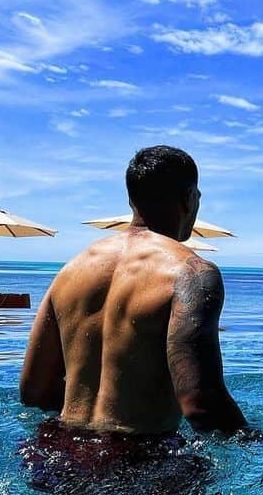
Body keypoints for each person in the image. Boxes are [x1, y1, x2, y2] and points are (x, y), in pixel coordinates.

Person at [19, 146, 250, 463]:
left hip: (57, 450)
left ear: (131, 200)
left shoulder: (72, 270)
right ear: (189, 199)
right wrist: (261, 442)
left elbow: (34, 392)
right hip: (139, 460)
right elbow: (201, 406)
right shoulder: (192, 272)